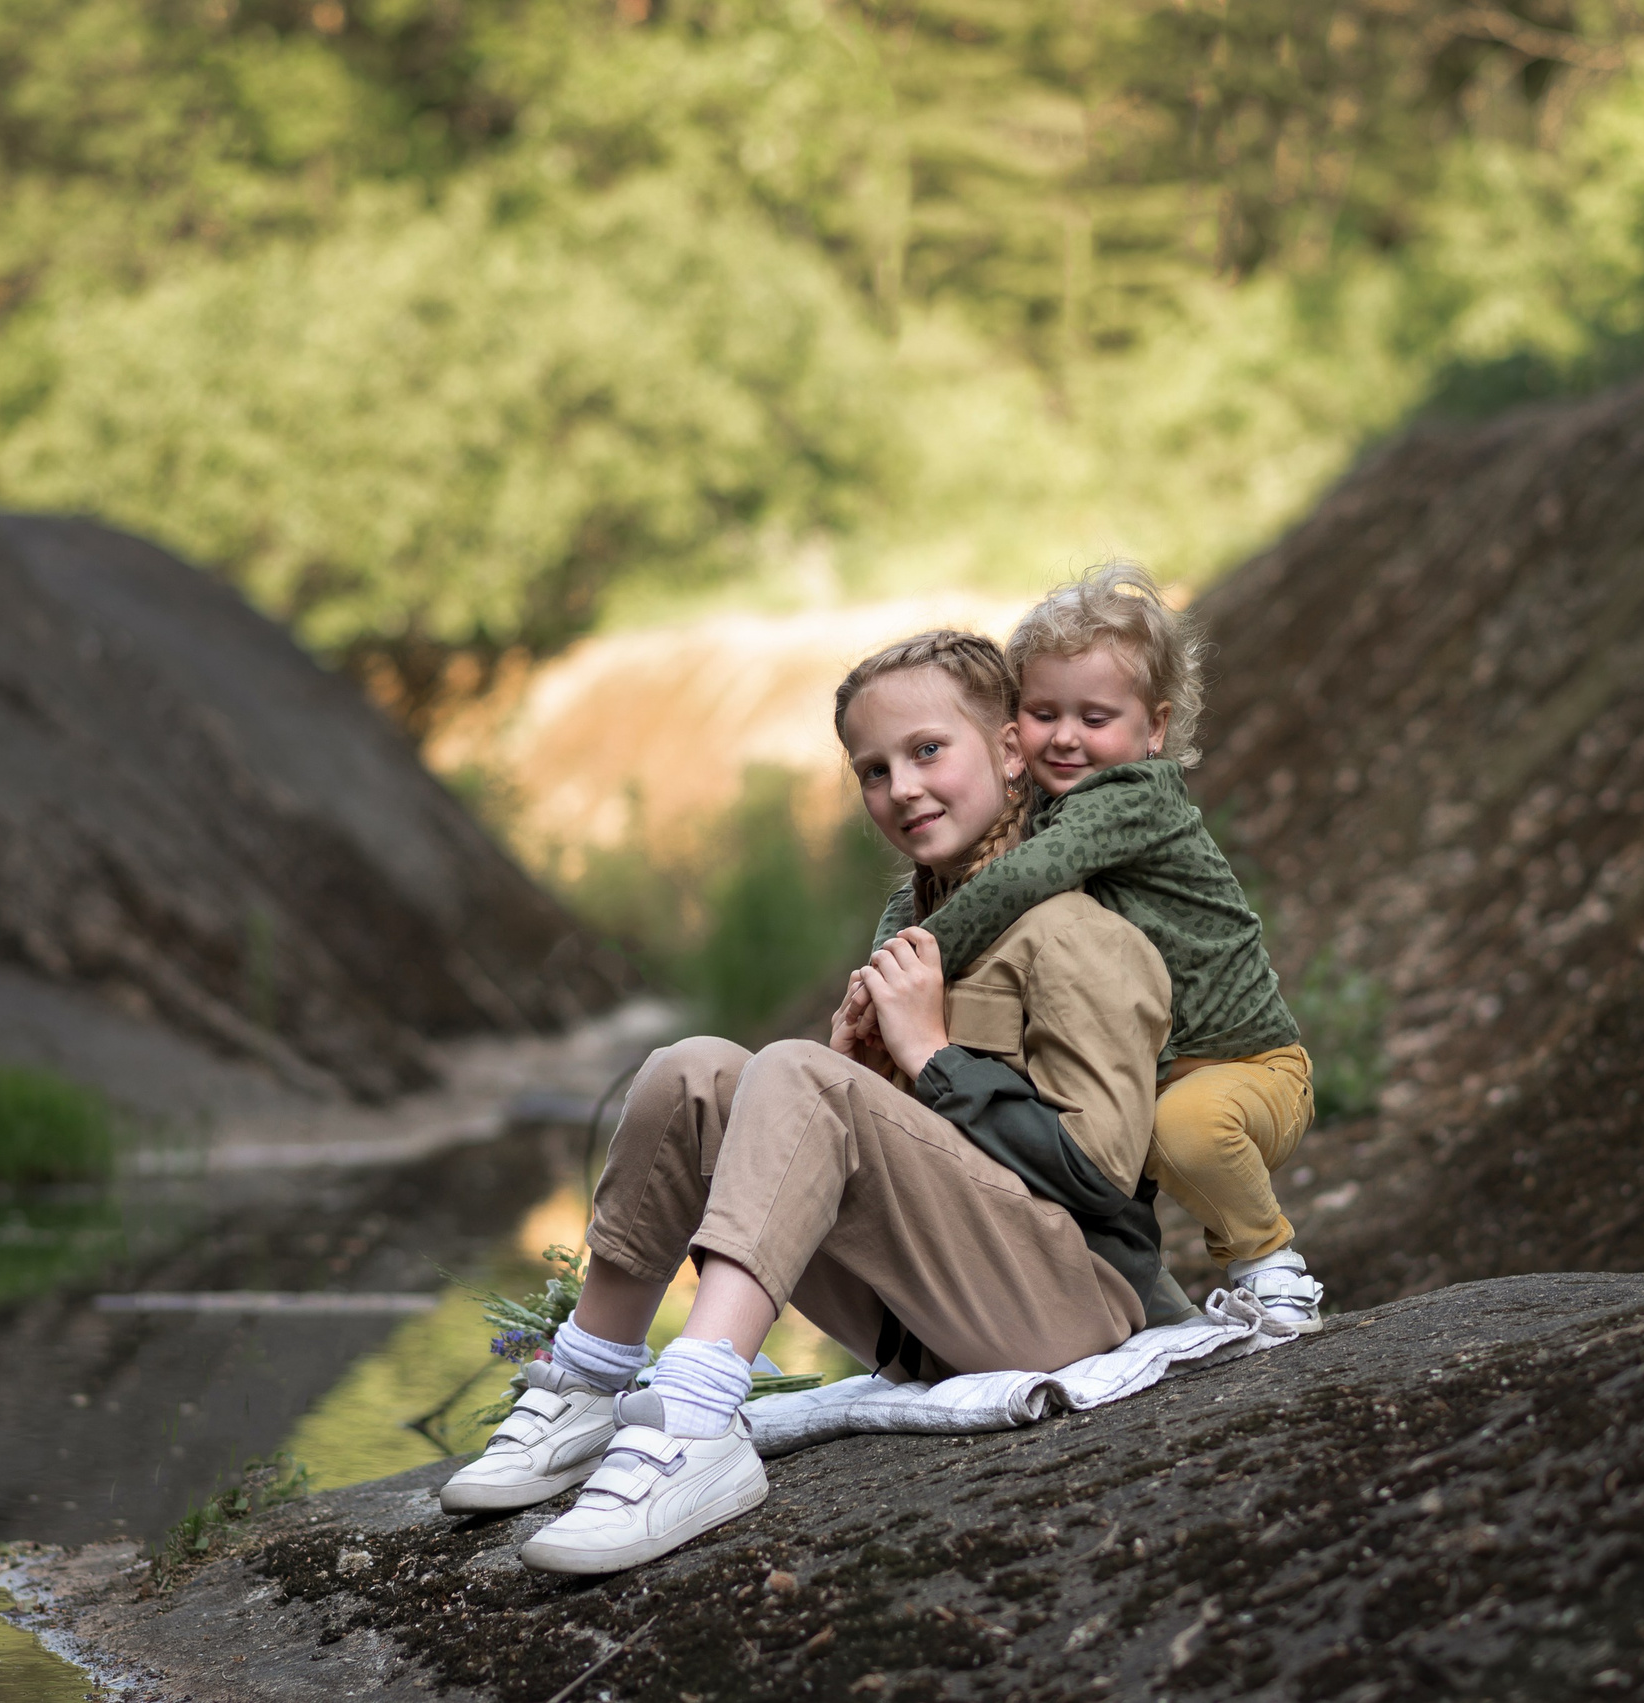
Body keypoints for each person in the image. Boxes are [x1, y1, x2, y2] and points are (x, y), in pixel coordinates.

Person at [438, 630, 1192, 1576]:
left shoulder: (1078, 933)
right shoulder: (925, 936)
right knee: (695, 1072)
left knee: (794, 1072)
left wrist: (932, 1055)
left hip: (1067, 1310)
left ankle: (695, 1421)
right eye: (872, 769)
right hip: (939, 1312)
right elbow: (935, 1170)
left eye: (926, 750)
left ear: (1008, 751)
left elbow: (1101, 1175)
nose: (901, 788)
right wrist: (867, 1078)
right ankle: (591, 1380)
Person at [849, 562, 1325, 1329]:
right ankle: (1150, 1306)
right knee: (1083, 1140)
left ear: (1155, 728)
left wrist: (909, 972)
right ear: (1014, 724)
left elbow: (1020, 880)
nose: (1066, 737)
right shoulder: (1040, 801)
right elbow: (917, 892)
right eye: (1043, 712)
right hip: (1147, 1069)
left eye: (1095, 716)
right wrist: (885, 961)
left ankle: (1269, 1262)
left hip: (1243, 1064)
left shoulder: (1131, 796)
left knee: (1188, 1130)